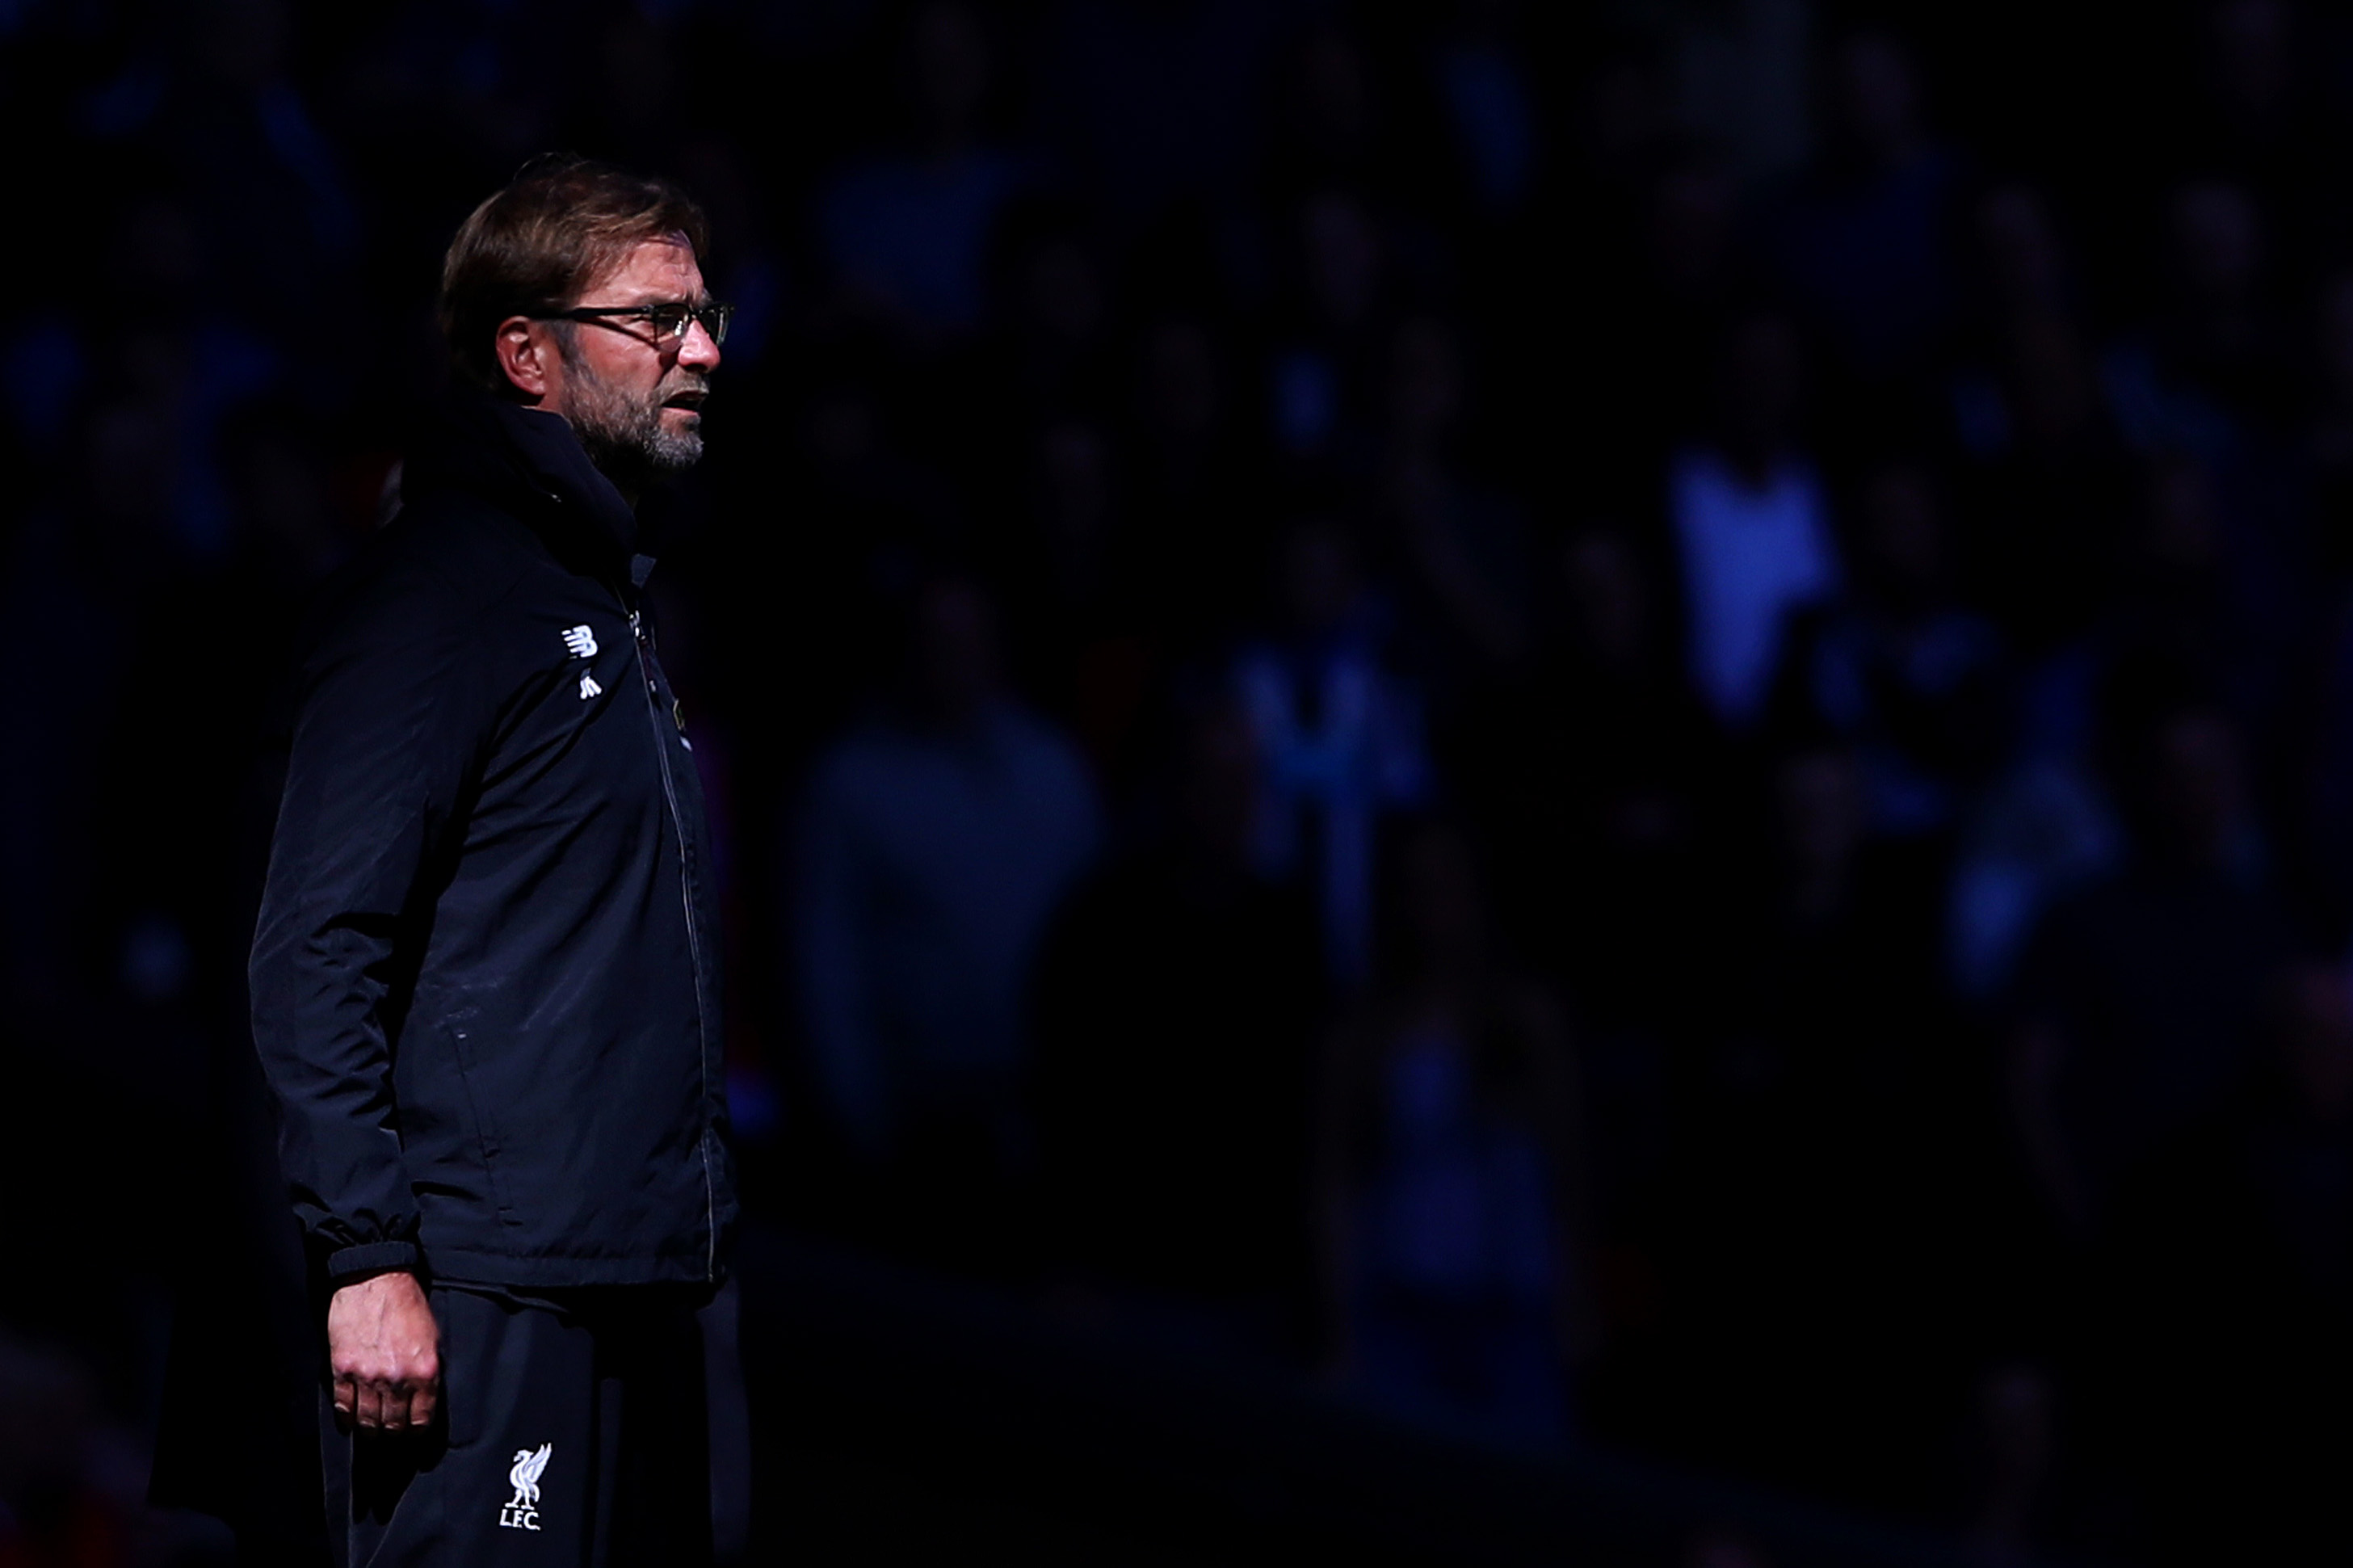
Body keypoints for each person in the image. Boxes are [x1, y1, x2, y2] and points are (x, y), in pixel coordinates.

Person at [247, 156, 737, 1563]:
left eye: (707, 315)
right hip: (483, 1295)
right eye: (656, 319)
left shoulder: (592, 588)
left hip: (632, 1280)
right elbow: (314, 943)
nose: (699, 351)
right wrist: (369, 1257)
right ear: (525, 351)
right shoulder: (445, 597)